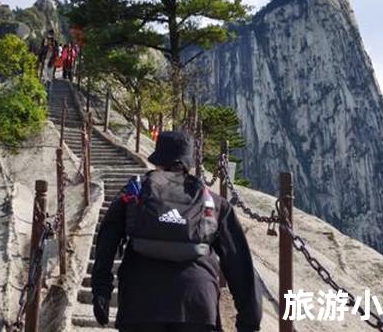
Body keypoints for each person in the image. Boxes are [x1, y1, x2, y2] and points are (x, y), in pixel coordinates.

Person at [91, 131, 262, 332]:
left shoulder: (135, 192)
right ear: (189, 163)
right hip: (196, 305)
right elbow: (239, 262)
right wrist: (249, 321)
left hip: (139, 304)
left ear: (157, 159)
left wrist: (101, 291)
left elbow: (106, 240)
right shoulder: (211, 202)